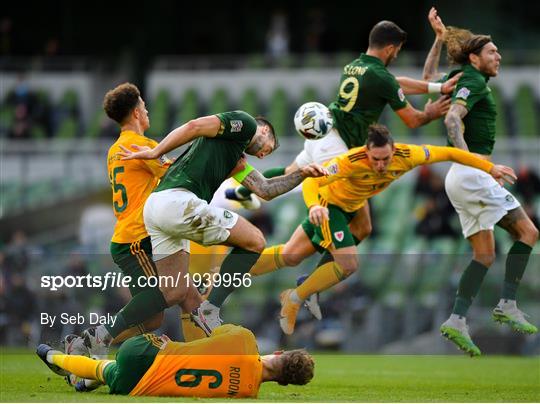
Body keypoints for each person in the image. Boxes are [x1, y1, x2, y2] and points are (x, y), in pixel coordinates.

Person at [248, 124, 517, 335]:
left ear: (393, 150)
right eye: (375, 159)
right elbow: (311, 179)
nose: (380, 165)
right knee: (349, 264)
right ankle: (295, 298)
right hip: (331, 207)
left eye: (385, 158)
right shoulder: (350, 161)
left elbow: (448, 152)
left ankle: (234, 267)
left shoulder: (407, 155)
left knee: (292, 255)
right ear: (366, 152)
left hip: (354, 206)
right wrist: (313, 207)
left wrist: (489, 167)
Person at [226, 19, 460, 251]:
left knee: (290, 172)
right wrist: (430, 113)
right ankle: (320, 248)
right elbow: (412, 119)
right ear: (390, 48)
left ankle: (242, 190)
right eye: (397, 50)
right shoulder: (381, 77)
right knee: (326, 196)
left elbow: (395, 84)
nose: (397, 55)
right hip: (338, 145)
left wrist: (437, 88)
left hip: (325, 131)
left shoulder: (356, 66)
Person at [96, 110, 327, 341]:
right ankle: (210, 309)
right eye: (269, 147)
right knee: (255, 241)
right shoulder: (245, 124)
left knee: (175, 292)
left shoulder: (233, 156)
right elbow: (194, 125)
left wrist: (302, 174)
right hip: (178, 202)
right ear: (265, 130)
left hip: (157, 209)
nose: (264, 156)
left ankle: (98, 337)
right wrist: (156, 151)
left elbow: (265, 190)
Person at [422, 7, 538, 356]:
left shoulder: (462, 77)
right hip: (471, 172)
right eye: (491, 52)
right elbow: (452, 121)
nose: (498, 56)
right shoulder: (472, 82)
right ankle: (507, 303)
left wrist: (439, 40)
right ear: (475, 57)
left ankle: (457, 319)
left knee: (484, 255)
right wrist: (482, 167)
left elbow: (429, 76)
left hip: (457, 178)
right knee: (529, 234)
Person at [65, 83, 206, 358]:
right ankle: (95, 338)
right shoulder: (142, 146)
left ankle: (90, 343)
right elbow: (178, 173)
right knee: (178, 291)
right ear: (135, 112)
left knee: (155, 318)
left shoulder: (116, 149)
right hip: (137, 240)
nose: (147, 108)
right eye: (143, 104)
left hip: (136, 238)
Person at [37, 324, 314, 398]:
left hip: (144, 352)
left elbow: (210, 330)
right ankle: (62, 363)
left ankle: (57, 357)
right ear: (283, 383)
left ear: (279, 352)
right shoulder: (247, 394)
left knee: (106, 366)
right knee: (105, 371)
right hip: (139, 387)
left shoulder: (244, 339)